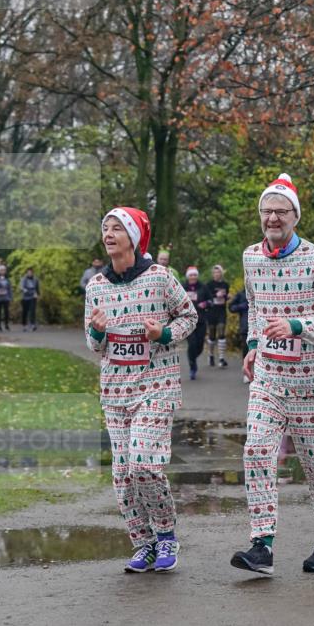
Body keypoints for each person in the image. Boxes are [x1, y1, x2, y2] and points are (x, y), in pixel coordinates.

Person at [231, 172, 314, 575]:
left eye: (281, 211)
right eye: (267, 211)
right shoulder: (250, 256)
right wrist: (251, 347)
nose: (273, 218)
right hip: (268, 379)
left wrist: (297, 326)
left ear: (295, 217)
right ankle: (261, 544)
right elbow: (255, 306)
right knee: (257, 451)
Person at [85, 206, 197, 573]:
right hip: (115, 391)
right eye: (106, 228)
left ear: (133, 237)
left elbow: (189, 316)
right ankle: (142, 543)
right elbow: (93, 344)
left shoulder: (160, 278)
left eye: (117, 228)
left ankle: (165, 534)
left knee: (144, 463)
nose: (109, 233)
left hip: (156, 385)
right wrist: (99, 331)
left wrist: (163, 334)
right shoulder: (97, 286)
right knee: (122, 472)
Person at [182, 266, 208, 380]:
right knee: (192, 344)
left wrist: (205, 303)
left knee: (200, 346)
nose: (193, 277)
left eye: (195, 275)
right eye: (191, 275)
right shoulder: (182, 287)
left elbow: (211, 300)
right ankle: (192, 366)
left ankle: (192, 357)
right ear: (188, 276)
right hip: (187, 320)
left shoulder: (203, 287)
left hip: (201, 320)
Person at [205, 264, 230, 367]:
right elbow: (207, 296)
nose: (216, 274)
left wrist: (227, 297)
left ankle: (221, 358)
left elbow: (226, 296)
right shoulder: (209, 284)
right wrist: (216, 295)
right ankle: (211, 355)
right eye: (214, 272)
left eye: (218, 272)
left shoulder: (225, 285)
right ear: (212, 274)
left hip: (221, 311)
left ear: (221, 273)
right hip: (211, 311)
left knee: (221, 332)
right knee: (212, 335)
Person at [229, 286, 250, 382]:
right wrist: (242, 306)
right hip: (245, 327)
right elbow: (231, 308)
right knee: (246, 349)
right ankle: (247, 373)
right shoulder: (241, 294)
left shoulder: (263, 292)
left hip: (261, 327)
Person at [0, 263, 12, 331]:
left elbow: (9, 288)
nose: (3, 271)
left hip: (6, 297)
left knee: (6, 311)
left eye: (4, 270)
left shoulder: (7, 279)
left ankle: (6, 324)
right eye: (1, 270)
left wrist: (10, 297)